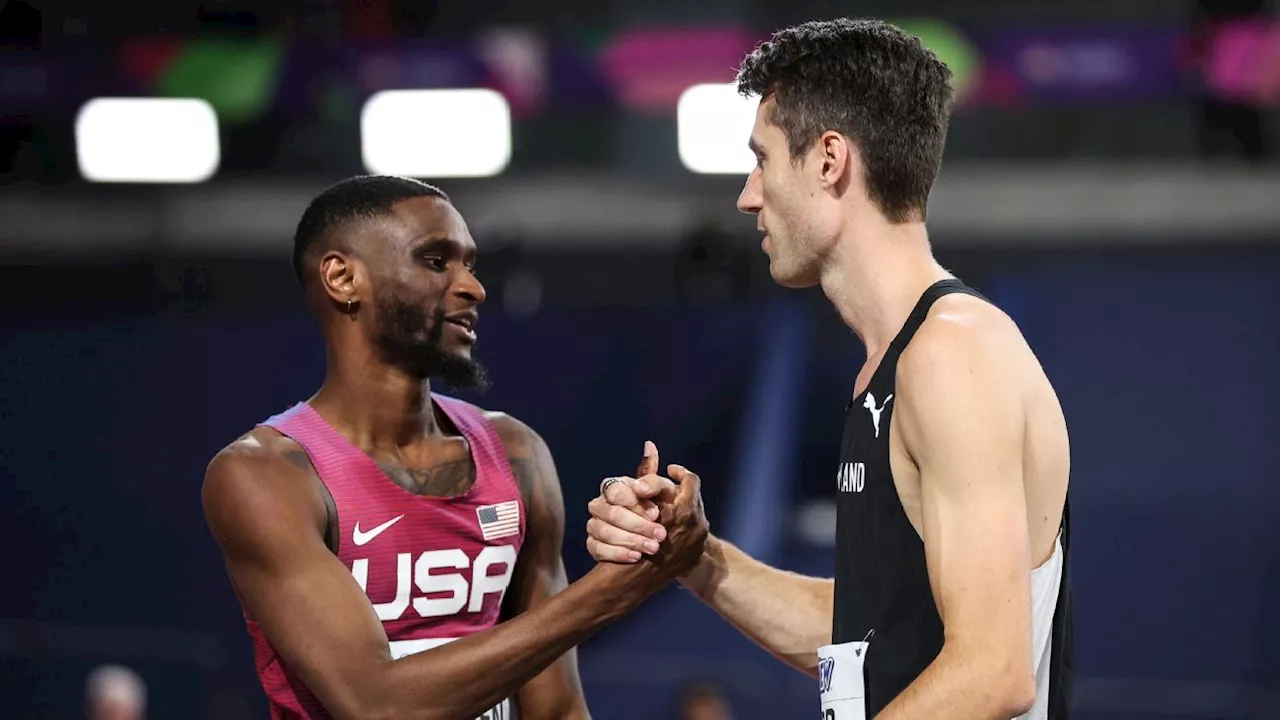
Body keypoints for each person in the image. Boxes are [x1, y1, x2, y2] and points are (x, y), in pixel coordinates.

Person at [585, 18, 1072, 720]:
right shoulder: (893, 364)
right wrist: (696, 558)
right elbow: (863, 634)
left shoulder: (951, 356)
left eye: (763, 159)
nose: (748, 195)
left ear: (828, 161)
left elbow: (993, 673)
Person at [201, 175, 708, 720]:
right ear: (343, 278)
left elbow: (556, 709)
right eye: (437, 261)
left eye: (471, 265)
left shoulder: (516, 453)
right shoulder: (266, 475)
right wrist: (611, 591)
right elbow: (377, 704)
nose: (473, 288)